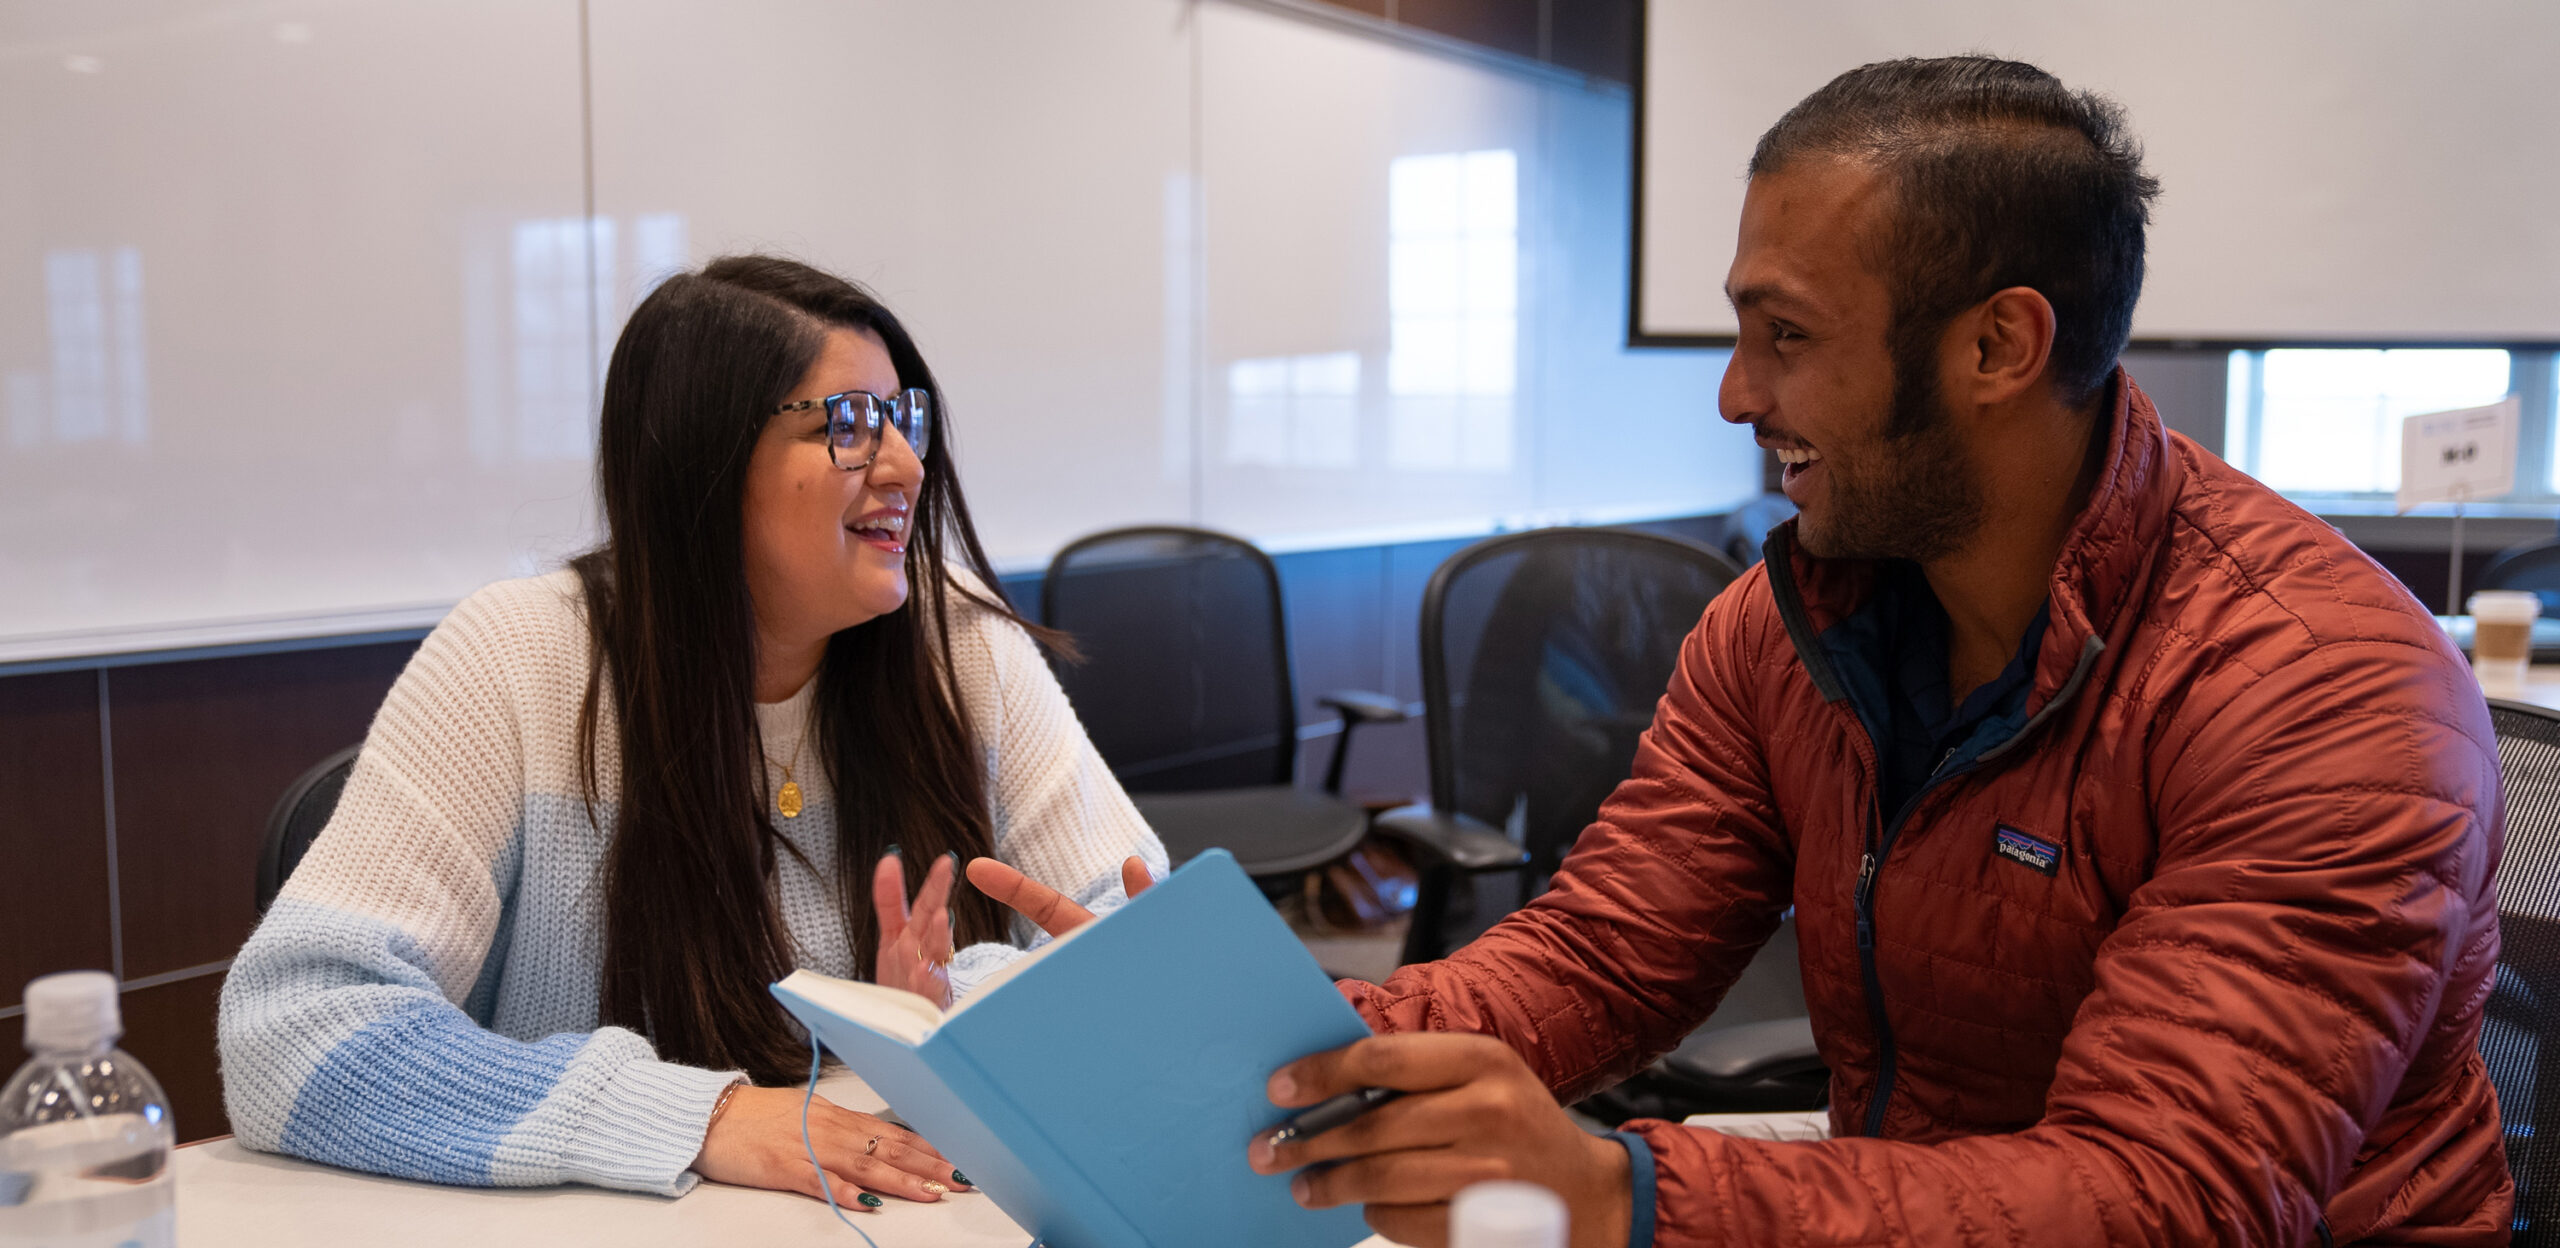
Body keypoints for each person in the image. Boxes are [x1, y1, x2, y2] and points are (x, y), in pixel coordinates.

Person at [1002, 55, 2513, 1245]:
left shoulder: (2322, 689)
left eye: (1783, 336)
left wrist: (1628, 1198)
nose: (1734, 396)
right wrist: (1220, 1029)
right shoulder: (1788, 626)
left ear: (1998, 349)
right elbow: (1604, 957)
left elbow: (2170, 1201)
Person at [218, 255, 1166, 1208]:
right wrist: (697, 1116)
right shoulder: (519, 659)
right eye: (848, 424)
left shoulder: (959, 647)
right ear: (705, 466)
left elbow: (1140, 941)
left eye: (903, 418)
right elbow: (293, 1024)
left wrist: (957, 1010)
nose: (907, 466)